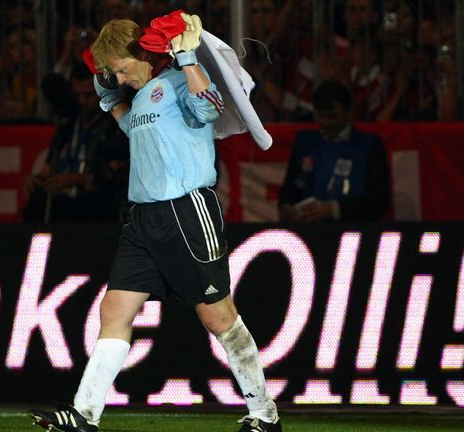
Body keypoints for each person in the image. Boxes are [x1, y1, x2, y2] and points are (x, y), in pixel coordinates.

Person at [28, 13, 282, 432]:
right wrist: (111, 103)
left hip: (187, 209)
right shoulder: (144, 95)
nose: (119, 79)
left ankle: (264, 414)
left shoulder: (181, 79)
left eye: (120, 70)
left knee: (218, 317)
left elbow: (210, 108)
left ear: (142, 54)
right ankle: (84, 414)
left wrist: (187, 58)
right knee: (114, 310)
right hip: (143, 218)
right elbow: (134, 128)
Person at [23, 62, 129, 223]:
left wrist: (75, 179)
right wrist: (35, 180)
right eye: (77, 95)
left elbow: (113, 176)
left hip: (95, 209)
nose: (82, 101)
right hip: (61, 207)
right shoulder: (67, 127)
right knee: (37, 201)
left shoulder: (114, 127)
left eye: (88, 95)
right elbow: (47, 170)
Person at [278, 80, 390, 222]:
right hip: (309, 229)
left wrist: (335, 209)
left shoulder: (369, 145)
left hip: (355, 229)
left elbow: (379, 199)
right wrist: (286, 207)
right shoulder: (304, 143)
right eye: (321, 116)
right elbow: (290, 188)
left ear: (349, 112)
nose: (326, 123)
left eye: (333, 116)